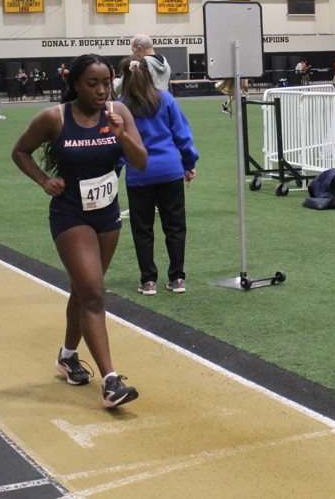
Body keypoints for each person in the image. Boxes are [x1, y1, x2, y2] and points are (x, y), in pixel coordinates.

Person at [11, 54, 147, 408]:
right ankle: (111, 381)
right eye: (92, 84)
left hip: (107, 215)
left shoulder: (119, 112)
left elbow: (140, 161)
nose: (101, 90)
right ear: (74, 84)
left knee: (84, 291)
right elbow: (20, 151)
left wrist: (122, 135)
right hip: (71, 215)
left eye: (106, 83)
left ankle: (68, 356)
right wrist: (44, 181)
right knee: (95, 295)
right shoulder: (54, 118)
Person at [118, 54, 198, 295]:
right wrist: (188, 163)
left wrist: (113, 173)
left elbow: (118, 146)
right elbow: (182, 136)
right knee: (175, 226)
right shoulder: (166, 99)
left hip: (139, 174)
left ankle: (148, 280)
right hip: (169, 170)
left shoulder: (120, 106)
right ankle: (177, 278)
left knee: (142, 229)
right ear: (150, 74)